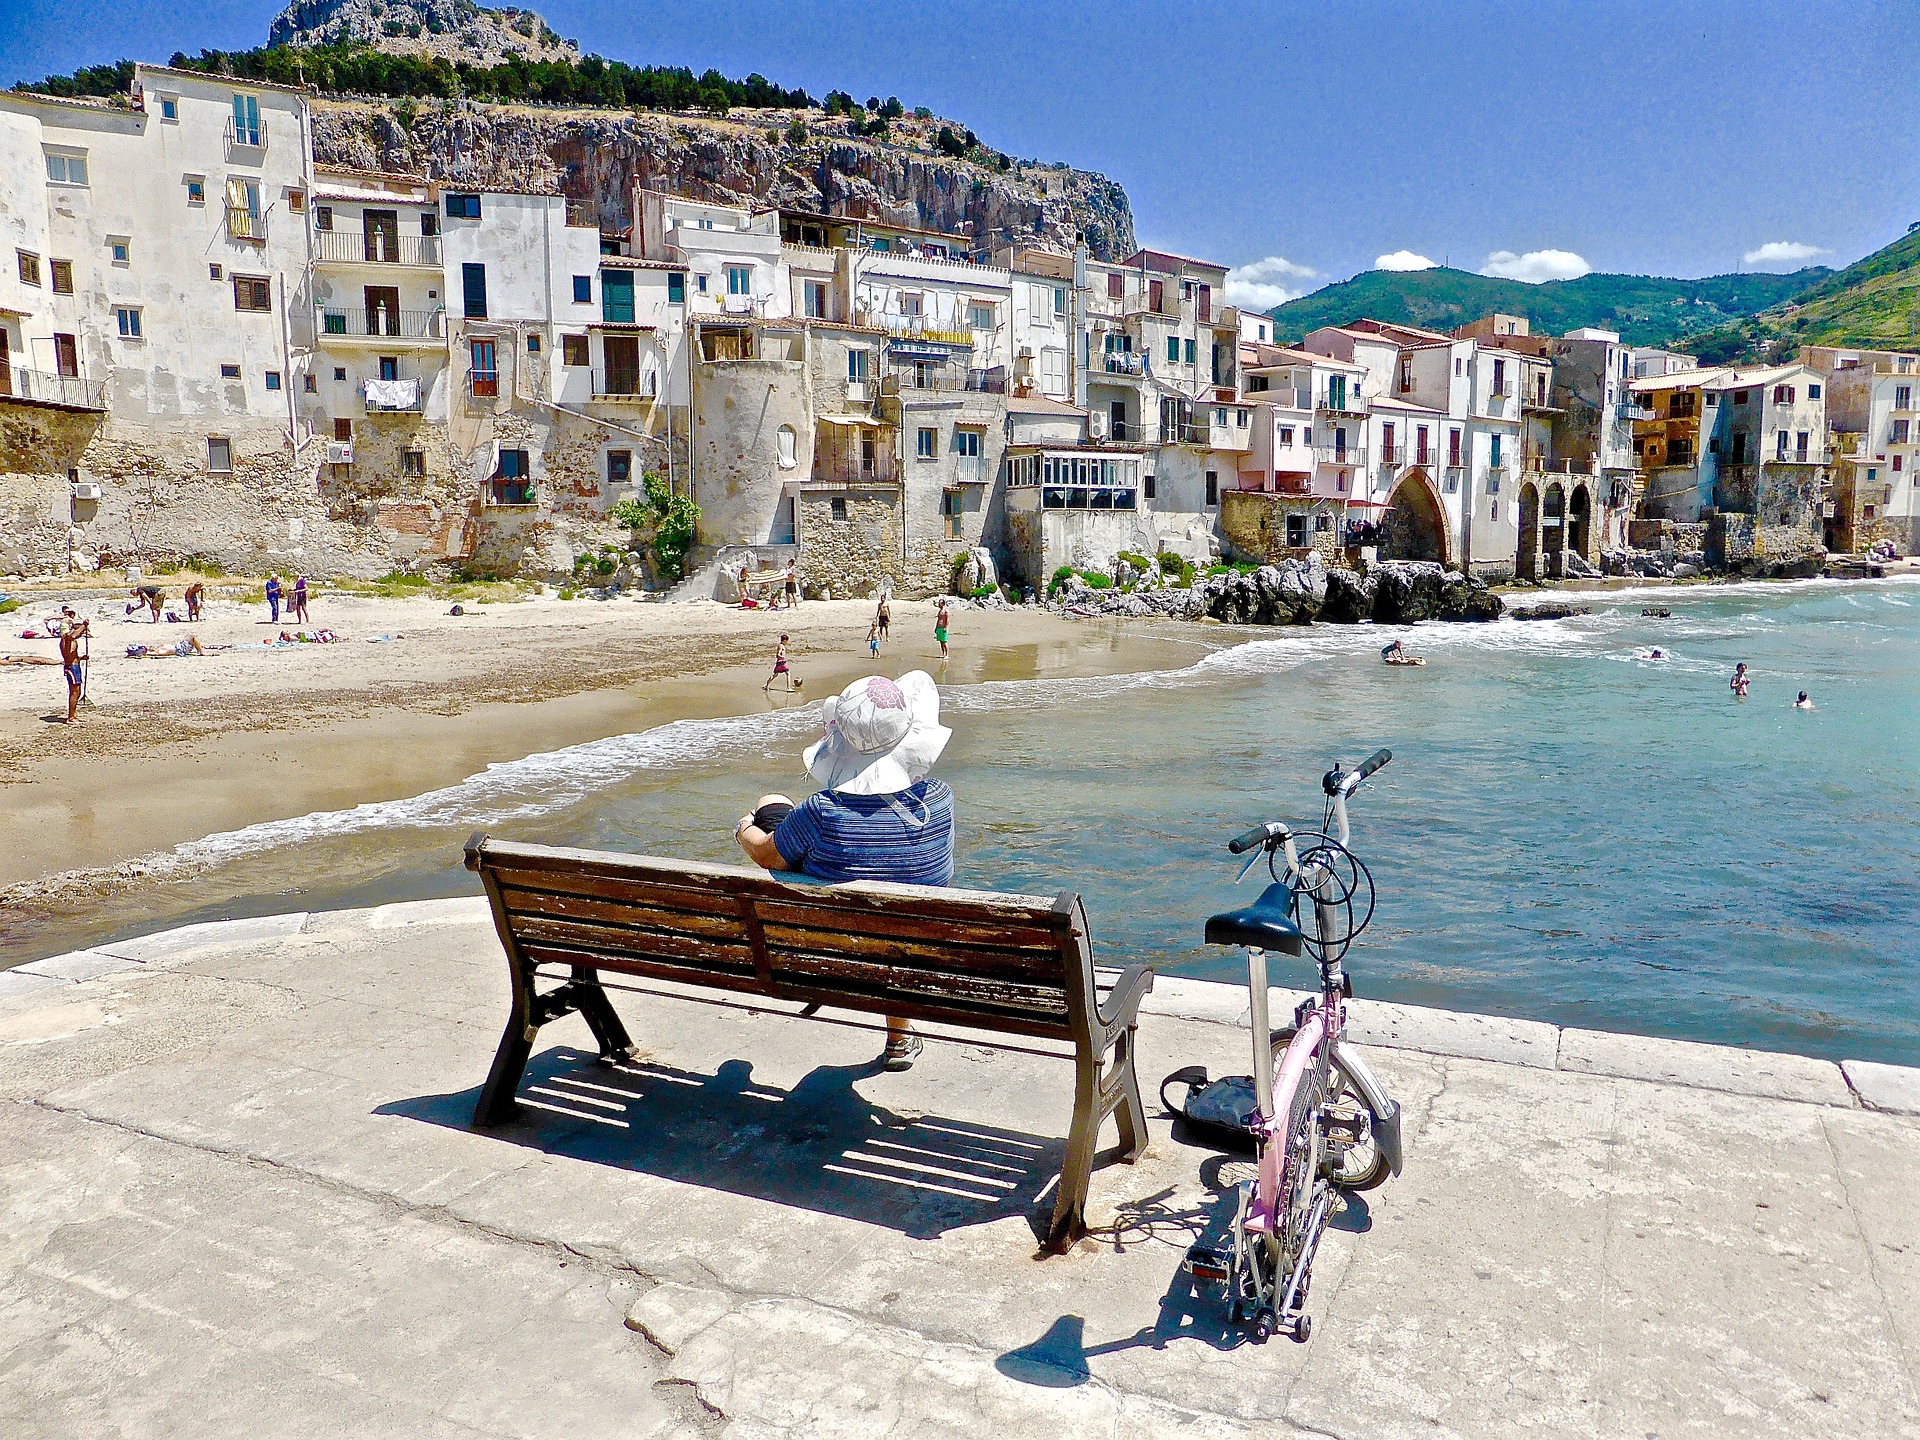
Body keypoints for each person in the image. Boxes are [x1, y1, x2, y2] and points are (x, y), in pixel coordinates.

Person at [733, 672, 954, 1071]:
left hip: (831, 953)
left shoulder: (821, 811)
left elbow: (765, 856)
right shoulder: (938, 799)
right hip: (911, 951)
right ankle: (899, 1037)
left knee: (772, 804)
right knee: (895, 915)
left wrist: (744, 828)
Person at [59, 614, 89, 723]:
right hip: (71, 667)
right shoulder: (67, 638)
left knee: (77, 691)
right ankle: (70, 717)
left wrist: (81, 658)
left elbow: (70, 655)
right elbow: (73, 636)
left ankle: (73, 715)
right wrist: (83, 626)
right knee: (74, 691)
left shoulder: (69, 639)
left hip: (74, 665)